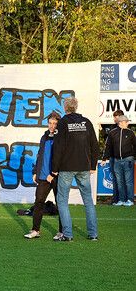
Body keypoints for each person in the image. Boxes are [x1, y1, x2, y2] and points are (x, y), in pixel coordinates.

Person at [51, 97, 99, 241]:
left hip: (67, 167)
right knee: (88, 201)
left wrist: (54, 168)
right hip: (84, 167)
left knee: (62, 200)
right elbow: (95, 145)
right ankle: (93, 234)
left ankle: (67, 234)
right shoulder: (87, 122)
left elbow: (58, 147)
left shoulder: (63, 122)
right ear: (76, 107)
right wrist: (92, 165)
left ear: (65, 108)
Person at [25, 112, 63, 239]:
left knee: (60, 203)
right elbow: (40, 155)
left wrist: (53, 174)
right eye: (50, 123)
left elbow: (62, 158)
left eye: (55, 124)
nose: (52, 126)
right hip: (43, 176)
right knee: (39, 202)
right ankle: (35, 230)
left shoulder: (62, 138)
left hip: (57, 176)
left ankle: (62, 232)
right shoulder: (44, 137)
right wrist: (35, 171)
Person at [103, 114, 135, 206]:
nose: (128, 123)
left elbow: (135, 146)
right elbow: (108, 146)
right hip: (116, 160)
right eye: (126, 122)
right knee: (119, 181)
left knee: (128, 181)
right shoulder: (112, 133)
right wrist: (104, 158)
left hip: (128, 159)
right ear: (121, 122)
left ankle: (130, 200)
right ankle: (121, 200)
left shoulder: (130, 133)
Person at [105, 110, 124, 204]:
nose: (114, 119)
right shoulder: (112, 127)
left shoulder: (125, 128)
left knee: (122, 179)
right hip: (113, 157)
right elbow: (108, 142)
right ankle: (116, 199)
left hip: (122, 158)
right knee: (116, 179)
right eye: (114, 117)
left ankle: (123, 199)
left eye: (115, 117)